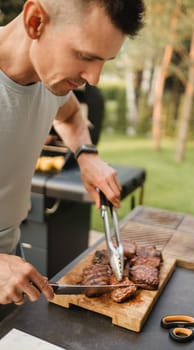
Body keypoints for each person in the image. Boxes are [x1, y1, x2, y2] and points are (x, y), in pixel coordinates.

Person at [0, 0, 145, 306]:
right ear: (36, 21)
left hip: (11, 266)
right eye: (85, 56)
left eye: (104, 61)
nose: (93, 78)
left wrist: (87, 155)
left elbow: (69, 115)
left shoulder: (49, 82)